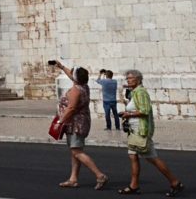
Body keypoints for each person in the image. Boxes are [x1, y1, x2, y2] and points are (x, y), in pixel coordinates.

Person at [117, 69, 184, 196]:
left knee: (152, 158)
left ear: (138, 79)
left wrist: (128, 114)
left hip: (140, 130)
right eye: (127, 78)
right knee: (133, 156)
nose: (128, 80)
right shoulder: (134, 92)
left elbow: (145, 110)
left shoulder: (141, 92)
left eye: (130, 78)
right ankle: (134, 185)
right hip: (133, 130)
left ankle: (175, 182)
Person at [53, 60, 108, 190]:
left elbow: (71, 108)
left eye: (73, 74)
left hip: (75, 124)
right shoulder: (83, 85)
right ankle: (73, 179)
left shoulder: (75, 91)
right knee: (75, 151)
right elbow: (72, 75)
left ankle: (100, 175)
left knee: (76, 152)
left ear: (76, 78)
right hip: (81, 122)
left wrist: (60, 122)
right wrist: (61, 66)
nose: (71, 75)